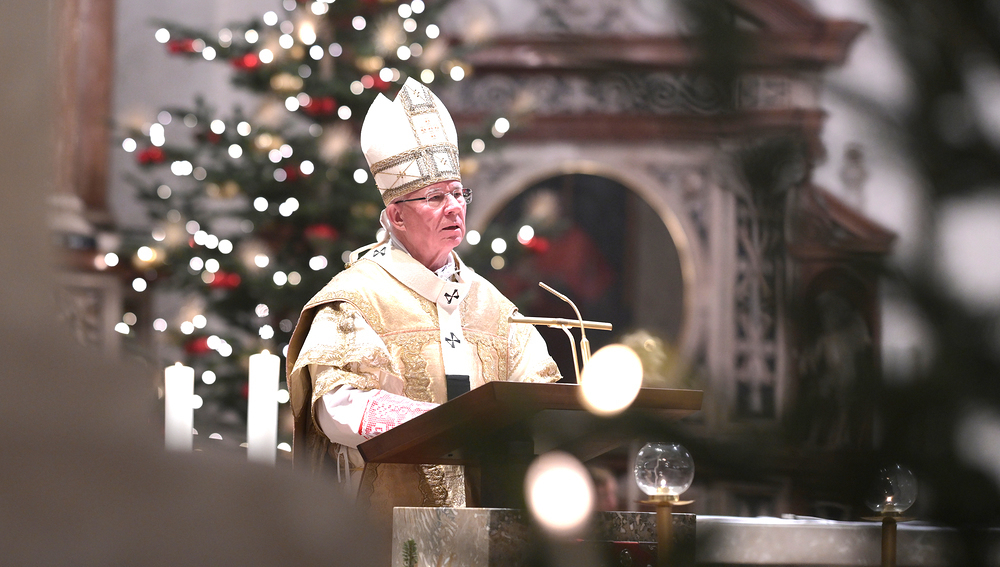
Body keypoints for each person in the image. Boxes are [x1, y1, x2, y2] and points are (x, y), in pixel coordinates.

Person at [286, 78, 560, 524]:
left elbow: (538, 395)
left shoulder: (492, 305)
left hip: (490, 517)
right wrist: (444, 423)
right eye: (436, 197)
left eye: (458, 193)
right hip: (385, 516)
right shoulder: (355, 297)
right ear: (396, 215)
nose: (455, 207)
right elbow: (335, 407)